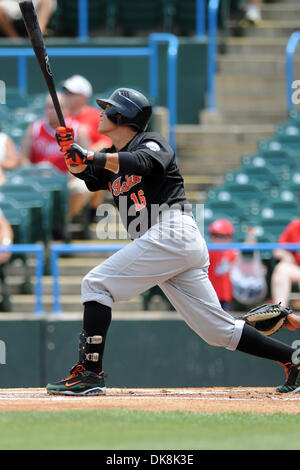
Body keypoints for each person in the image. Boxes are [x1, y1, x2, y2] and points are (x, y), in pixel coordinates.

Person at [46, 87, 300, 396]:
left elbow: (144, 162)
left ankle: (89, 372)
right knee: (217, 331)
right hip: (166, 244)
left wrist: (89, 155)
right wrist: (71, 152)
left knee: (96, 284)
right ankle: (293, 359)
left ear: (121, 116)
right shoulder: (111, 159)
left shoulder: (152, 142)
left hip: (172, 233)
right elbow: (85, 173)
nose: (101, 112)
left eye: (107, 108)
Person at [21, 92, 93, 219]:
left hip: (68, 178)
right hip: (38, 179)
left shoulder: (77, 129)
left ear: (65, 109)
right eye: (48, 107)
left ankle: (63, 219)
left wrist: (68, 176)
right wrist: (34, 172)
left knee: (82, 188)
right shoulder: (34, 129)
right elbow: (23, 158)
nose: (50, 110)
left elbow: (87, 160)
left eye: (54, 107)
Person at [61, 75, 113, 220]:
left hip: (85, 166)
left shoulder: (97, 116)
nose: (67, 96)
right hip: (62, 169)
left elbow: (107, 143)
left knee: (100, 164)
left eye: (71, 93)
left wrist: (83, 154)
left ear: (84, 96)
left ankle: (92, 210)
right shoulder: (60, 116)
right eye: (66, 93)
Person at [271, 218, 300, 332]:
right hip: (296, 268)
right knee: (281, 269)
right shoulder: (296, 225)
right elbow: (278, 250)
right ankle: (279, 313)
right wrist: (286, 255)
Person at [208, 219, 238, 311]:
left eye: (222, 236)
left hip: (225, 296)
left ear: (230, 237)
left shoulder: (233, 252)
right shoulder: (208, 252)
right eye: (214, 235)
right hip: (209, 295)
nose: (217, 239)